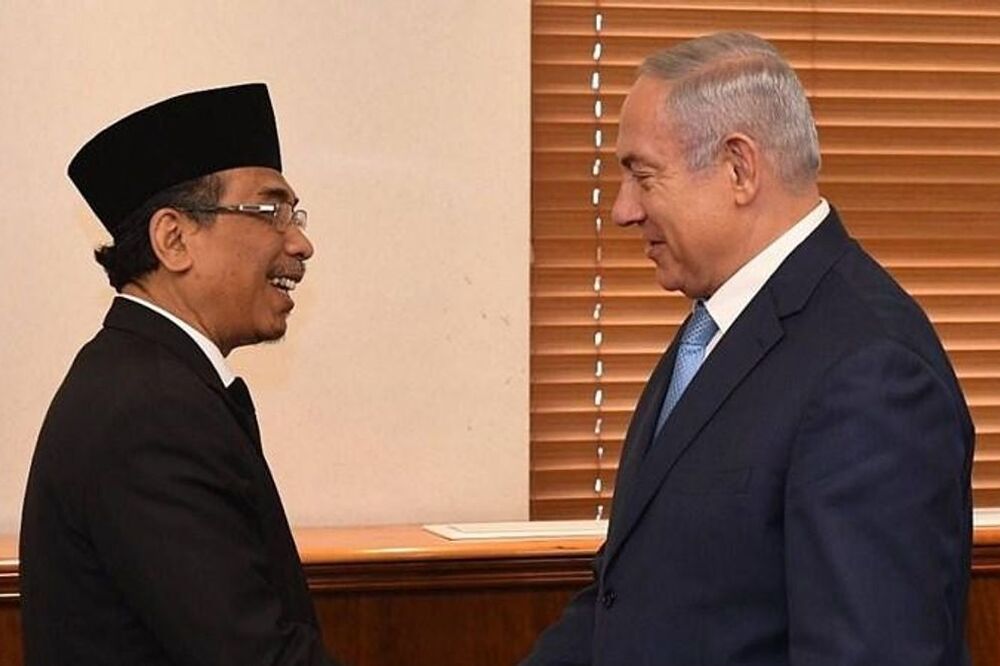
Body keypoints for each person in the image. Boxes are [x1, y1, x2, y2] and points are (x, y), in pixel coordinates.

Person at [521, 32, 973, 666]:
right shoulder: (717, 328)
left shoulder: (871, 371)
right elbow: (630, 595)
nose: (623, 210)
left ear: (738, 168)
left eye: (642, 176)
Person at [20, 84, 342, 665]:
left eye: (294, 215)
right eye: (271, 211)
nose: (301, 242)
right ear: (173, 239)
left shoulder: (145, 379)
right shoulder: (151, 414)